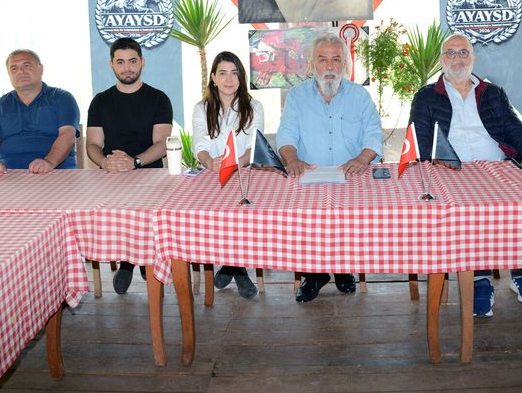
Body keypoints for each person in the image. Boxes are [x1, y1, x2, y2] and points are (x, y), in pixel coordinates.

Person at [409, 33, 522, 317]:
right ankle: (479, 280)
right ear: (442, 59)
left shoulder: (492, 92)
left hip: (496, 166)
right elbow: (418, 138)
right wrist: (434, 158)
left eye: (463, 53)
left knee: (520, 209)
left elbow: (511, 126)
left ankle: (521, 271)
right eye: (451, 53)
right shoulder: (426, 96)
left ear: (473, 57)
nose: (457, 58)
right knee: (471, 218)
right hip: (452, 172)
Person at [276, 31, 382, 303]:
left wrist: (362, 159)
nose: (330, 66)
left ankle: (344, 268)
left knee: (349, 223)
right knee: (307, 225)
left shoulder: (360, 96)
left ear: (345, 64)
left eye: (336, 59)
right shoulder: (297, 97)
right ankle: (315, 274)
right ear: (312, 64)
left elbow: (373, 136)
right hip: (310, 176)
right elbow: (286, 137)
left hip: (351, 178)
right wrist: (292, 160)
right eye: (323, 60)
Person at [86, 37, 174, 293]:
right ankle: (126, 262)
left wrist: (134, 162)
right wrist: (106, 163)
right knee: (117, 215)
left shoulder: (159, 98)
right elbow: (92, 145)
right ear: (111, 65)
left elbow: (161, 143)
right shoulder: (100, 101)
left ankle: (148, 260)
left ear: (142, 63)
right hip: (112, 177)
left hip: (151, 177)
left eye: (132, 61)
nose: (127, 68)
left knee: (149, 215)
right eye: (120, 62)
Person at [191, 51, 264, 299]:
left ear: (241, 78)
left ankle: (235, 267)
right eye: (222, 73)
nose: (228, 79)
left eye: (234, 73)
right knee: (213, 217)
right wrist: (209, 162)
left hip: (243, 174)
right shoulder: (201, 108)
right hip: (210, 176)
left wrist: (236, 163)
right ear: (213, 78)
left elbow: (255, 144)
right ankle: (236, 267)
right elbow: (198, 144)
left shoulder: (254, 107)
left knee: (243, 213)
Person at [0, 49, 80, 175]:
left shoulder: (62, 98)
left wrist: (49, 162)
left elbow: (67, 135)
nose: (21, 72)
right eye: (14, 68)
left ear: (41, 69)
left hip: (56, 172)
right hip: (9, 176)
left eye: (27, 65)